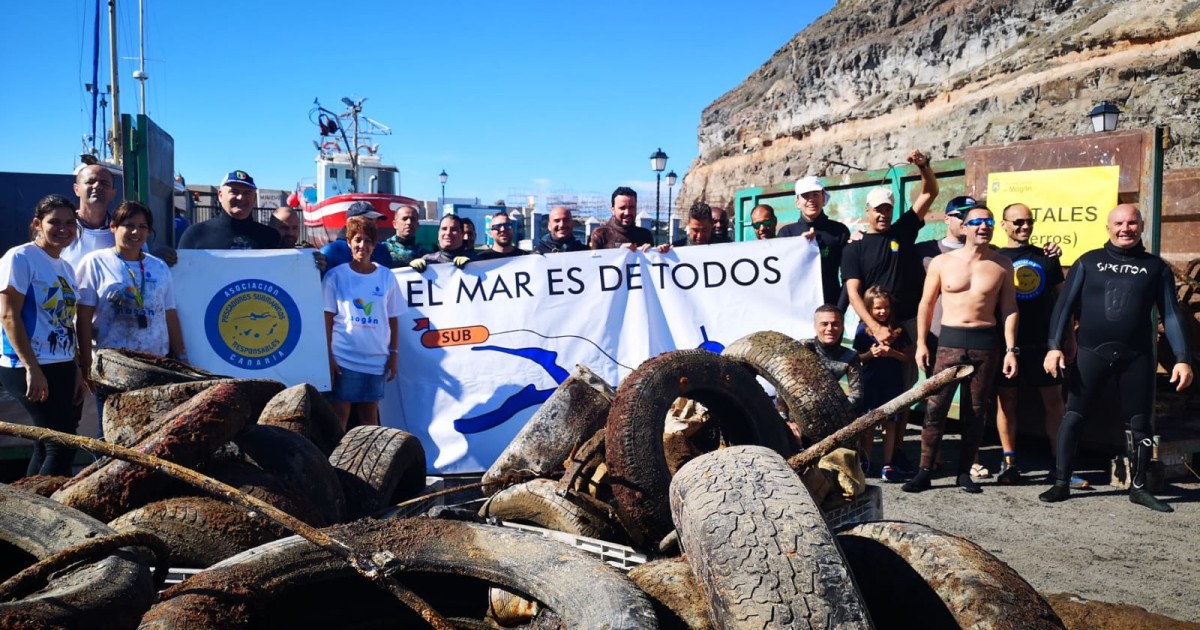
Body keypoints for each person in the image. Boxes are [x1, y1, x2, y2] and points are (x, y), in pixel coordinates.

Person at [1040, 204, 1193, 512]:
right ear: (1108, 228)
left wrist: (1182, 357)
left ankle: (1139, 487)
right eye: (1119, 223)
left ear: (1142, 226)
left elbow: (1171, 313)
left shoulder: (1155, 268)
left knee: (1142, 423)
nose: (1126, 229)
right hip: (1090, 353)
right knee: (1074, 416)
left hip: (1136, 356)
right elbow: (1064, 305)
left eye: (1132, 223)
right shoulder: (1088, 261)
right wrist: (1054, 345)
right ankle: (1061, 482)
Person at [905, 206, 1018, 494]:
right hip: (948, 343)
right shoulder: (942, 262)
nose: (983, 226)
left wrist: (1010, 350)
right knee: (935, 408)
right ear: (964, 227)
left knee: (976, 412)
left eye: (989, 221)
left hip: (985, 343)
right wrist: (921, 343)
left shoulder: (1002, 264)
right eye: (976, 222)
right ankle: (924, 471)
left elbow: (1009, 308)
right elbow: (926, 304)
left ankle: (964, 473)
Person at [75, 201, 185, 428]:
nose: (136, 232)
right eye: (129, 225)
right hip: (113, 368)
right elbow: (83, 317)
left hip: (155, 365)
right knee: (111, 431)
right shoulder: (95, 262)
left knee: (152, 428)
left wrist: (182, 357)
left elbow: (169, 313)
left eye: (143, 226)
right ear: (113, 227)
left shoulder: (159, 267)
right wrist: (85, 364)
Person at [0, 195, 86, 476]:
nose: (63, 229)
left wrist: (76, 367)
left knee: (47, 442)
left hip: (61, 363)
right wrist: (31, 368)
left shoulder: (66, 267)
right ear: (37, 224)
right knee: (61, 445)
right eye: (54, 222)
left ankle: (29, 499)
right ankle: (49, 502)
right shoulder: (20, 257)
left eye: (70, 223)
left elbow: (66, 322)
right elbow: (8, 315)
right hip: (28, 363)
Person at [992, 202, 1067, 485]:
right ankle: (1009, 462)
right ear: (1004, 225)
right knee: (1006, 401)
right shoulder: (995, 258)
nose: (1025, 226)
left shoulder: (1047, 257)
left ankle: (1059, 464)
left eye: (1029, 221)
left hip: (1043, 343)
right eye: (1018, 222)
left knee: (1054, 402)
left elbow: (1062, 301)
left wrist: (1068, 338)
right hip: (1006, 345)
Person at [841, 150, 938, 347]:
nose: (883, 214)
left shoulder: (902, 231)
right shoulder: (854, 247)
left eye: (887, 209)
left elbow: (930, 193)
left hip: (908, 323)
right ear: (867, 211)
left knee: (910, 368)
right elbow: (853, 293)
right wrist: (876, 328)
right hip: (873, 327)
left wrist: (923, 166)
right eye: (878, 210)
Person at [322, 215, 401, 432]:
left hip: (376, 359)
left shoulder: (386, 277)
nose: (362, 245)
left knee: (369, 419)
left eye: (368, 240)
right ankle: (334, 456)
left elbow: (393, 318)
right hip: (343, 358)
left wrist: (393, 354)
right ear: (349, 243)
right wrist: (329, 357)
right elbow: (326, 320)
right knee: (339, 418)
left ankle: (368, 456)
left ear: (374, 245)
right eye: (357, 239)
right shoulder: (335, 276)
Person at [853, 286, 913, 482]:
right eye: (878, 308)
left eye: (886, 307)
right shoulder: (863, 330)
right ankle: (867, 461)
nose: (882, 311)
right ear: (868, 309)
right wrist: (871, 354)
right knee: (869, 424)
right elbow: (856, 358)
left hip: (892, 382)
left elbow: (908, 356)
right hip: (871, 381)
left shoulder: (897, 328)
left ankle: (888, 464)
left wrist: (892, 353)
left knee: (891, 423)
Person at [778, 176, 852, 305]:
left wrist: (839, 310)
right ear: (797, 202)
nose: (811, 200)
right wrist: (798, 245)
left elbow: (848, 277)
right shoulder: (786, 233)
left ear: (823, 198)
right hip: (797, 308)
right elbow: (781, 275)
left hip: (830, 308)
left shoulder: (839, 231)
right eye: (805, 196)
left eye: (815, 195)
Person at [799, 305, 864, 442]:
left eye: (835, 324)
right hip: (798, 415)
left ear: (842, 327)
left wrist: (833, 413)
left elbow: (857, 395)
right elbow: (781, 384)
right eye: (824, 324)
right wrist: (785, 420)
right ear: (815, 326)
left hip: (832, 417)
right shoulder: (801, 348)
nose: (830, 329)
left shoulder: (850, 356)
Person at [178, 170, 281, 249]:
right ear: (220, 195)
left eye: (247, 193)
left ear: (254, 198)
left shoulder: (271, 237)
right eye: (234, 192)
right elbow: (180, 268)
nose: (241, 197)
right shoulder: (196, 234)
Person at [61, 164, 118, 270]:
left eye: (104, 183)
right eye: (90, 182)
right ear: (76, 189)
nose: (97, 186)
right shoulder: (58, 230)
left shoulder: (124, 232)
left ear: (113, 193)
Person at [320, 201, 392, 273]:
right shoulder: (331, 252)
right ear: (350, 222)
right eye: (368, 221)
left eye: (375, 222)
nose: (374, 225)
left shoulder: (382, 251)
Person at [589, 187, 655, 250]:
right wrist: (619, 251)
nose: (627, 213)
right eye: (622, 208)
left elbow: (652, 257)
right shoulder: (600, 234)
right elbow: (592, 257)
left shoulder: (644, 235)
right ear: (613, 210)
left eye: (631, 207)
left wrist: (657, 252)